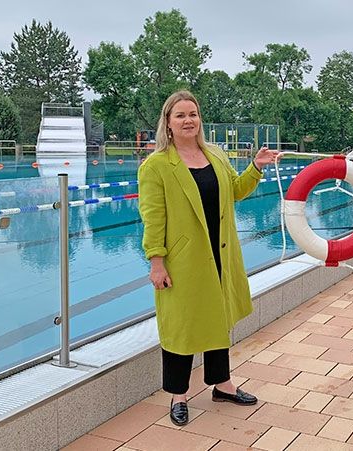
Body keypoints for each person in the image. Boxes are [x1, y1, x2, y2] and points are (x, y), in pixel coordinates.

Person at [138, 90, 279, 426]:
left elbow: (235, 191)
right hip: (183, 259)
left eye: (193, 114)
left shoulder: (214, 154)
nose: (189, 120)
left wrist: (256, 167)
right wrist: (156, 262)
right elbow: (153, 217)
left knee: (217, 319)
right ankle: (178, 395)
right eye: (181, 116)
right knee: (181, 326)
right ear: (168, 124)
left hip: (220, 253)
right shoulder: (157, 165)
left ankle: (222, 384)